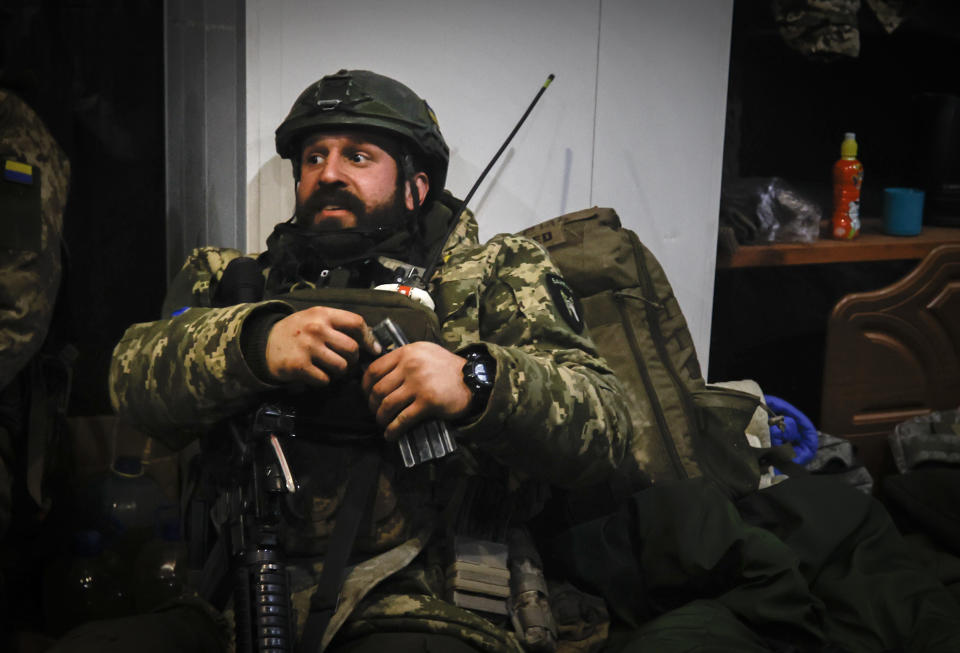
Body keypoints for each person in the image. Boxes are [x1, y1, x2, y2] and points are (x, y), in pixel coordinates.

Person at [83, 70, 633, 653]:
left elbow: (608, 429)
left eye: (358, 156)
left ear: (417, 187)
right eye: (314, 157)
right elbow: (131, 381)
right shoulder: (233, 278)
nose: (329, 173)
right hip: (238, 596)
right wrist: (253, 344)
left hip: (420, 602)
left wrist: (474, 380)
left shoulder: (492, 275)